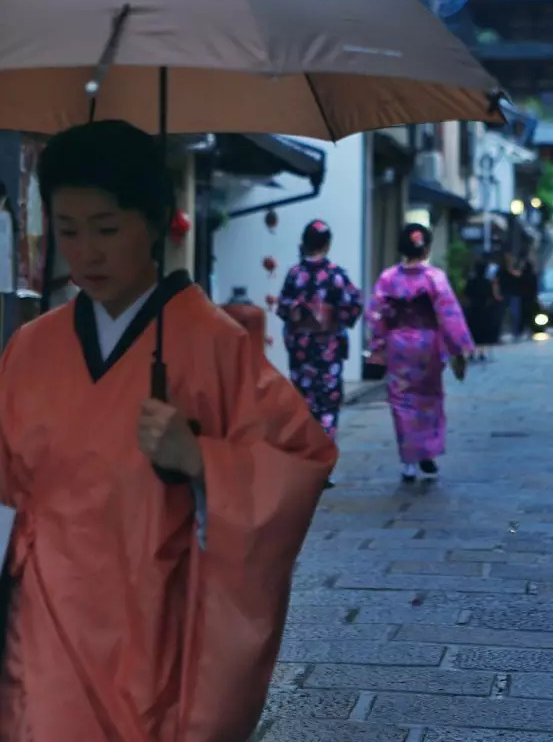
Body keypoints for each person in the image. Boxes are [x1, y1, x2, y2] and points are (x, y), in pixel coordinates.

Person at [0, 120, 335, 741]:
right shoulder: (29, 347)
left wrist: (202, 458)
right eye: (68, 230)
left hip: (155, 616)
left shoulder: (211, 344)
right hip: (42, 616)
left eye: (106, 228)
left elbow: (301, 457)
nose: (86, 252)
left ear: (155, 221)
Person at [367, 224, 475, 483]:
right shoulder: (434, 278)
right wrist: (458, 349)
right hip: (427, 344)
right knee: (429, 399)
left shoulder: (388, 278)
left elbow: (375, 314)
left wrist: (378, 346)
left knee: (401, 400)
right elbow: (449, 316)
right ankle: (427, 452)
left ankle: (408, 462)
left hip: (398, 345)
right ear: (426, 247)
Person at [277, 221, 363, 459]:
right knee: (328, 402)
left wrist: (299, 312)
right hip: (328, 348)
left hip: (300, 348)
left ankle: (308, 458)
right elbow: (353, 305)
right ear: (327, 244)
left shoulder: (295, 274)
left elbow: (283, 307)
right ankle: (323, 459)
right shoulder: (336, 275)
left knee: (304, 402)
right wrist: (332, 316)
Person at [462, 256, 502, 360]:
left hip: (473, 310)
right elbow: (492, 297)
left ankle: (471, 352)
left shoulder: (471, 281)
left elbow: (466, 296)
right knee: (483, 334)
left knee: (472, 332)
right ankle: (482, 352)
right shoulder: (487, 283)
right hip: (484, 311)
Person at [517, 256, 539, 341]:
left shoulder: (522, 276)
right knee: (530, 316)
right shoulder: (533, 276)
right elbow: (535, 288)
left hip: (524, 299)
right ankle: (529, 331)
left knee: (523, 316)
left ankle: (521, 331)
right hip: (530, 299)